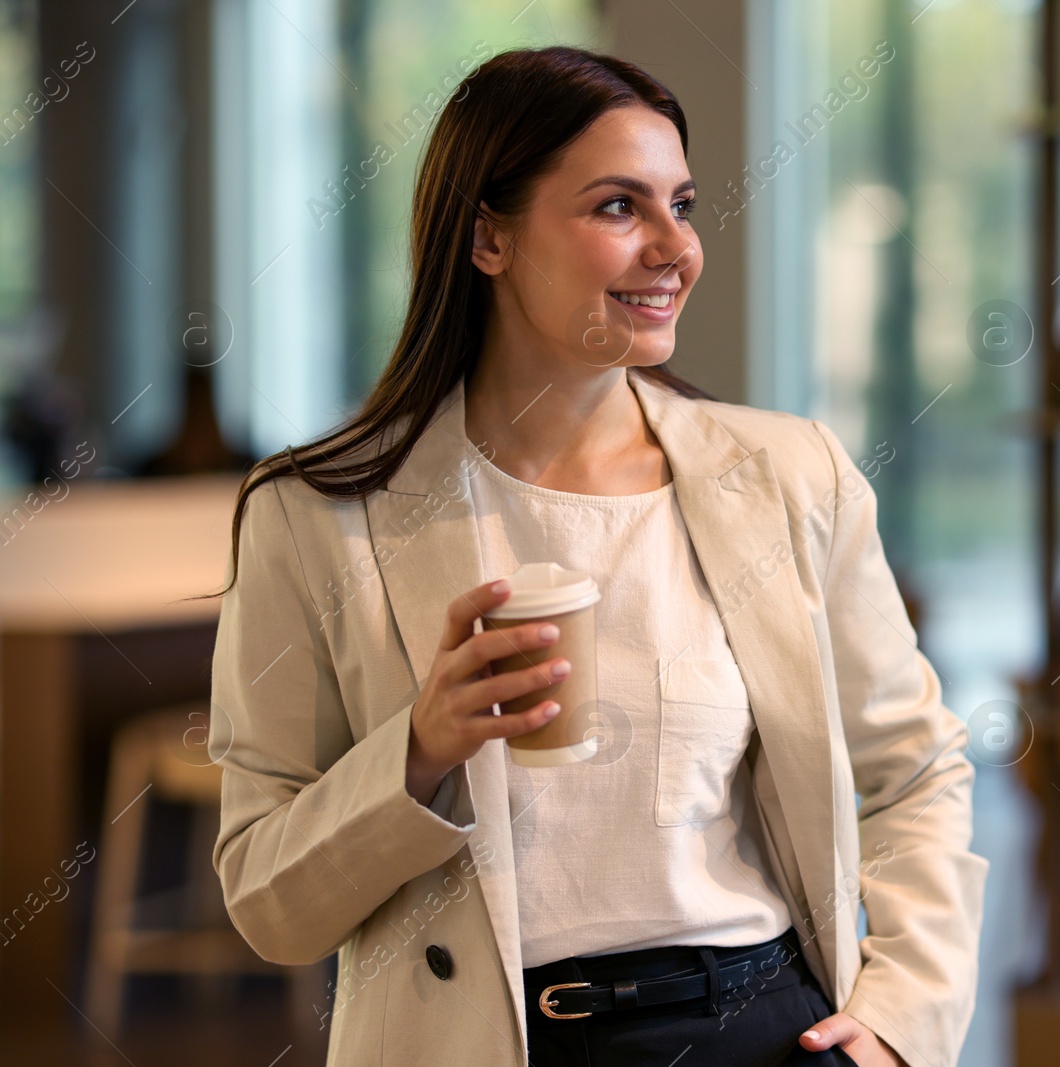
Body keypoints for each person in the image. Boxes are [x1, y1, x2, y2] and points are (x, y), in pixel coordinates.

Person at [203, 45, 986, 1067]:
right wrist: (419, 748)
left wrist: (894, 1023)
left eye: (682, 203)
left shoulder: (792, 475)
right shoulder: (314, 515)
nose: (676, 247)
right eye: (619, 207)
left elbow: (912, 773)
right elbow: (268, 900)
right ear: (488, 236)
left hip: (765, 1032)